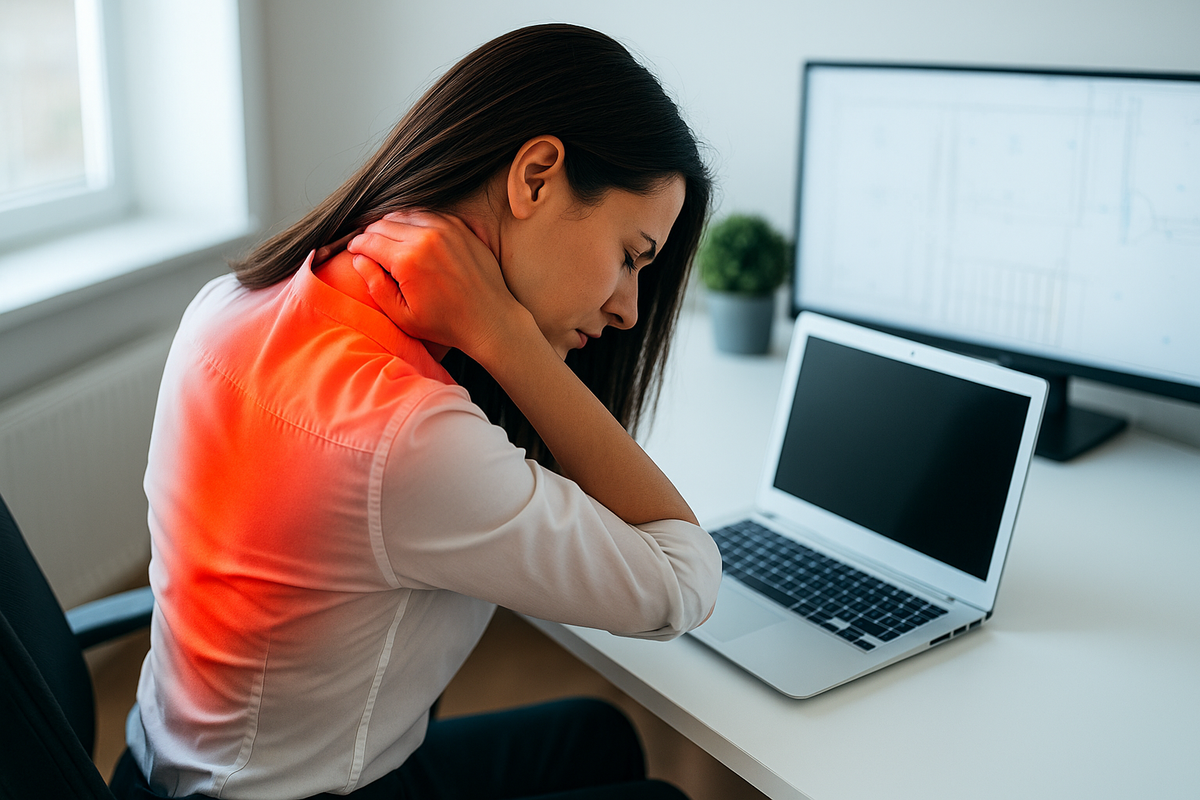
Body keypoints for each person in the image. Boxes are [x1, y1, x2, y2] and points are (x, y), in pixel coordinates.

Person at [112, 23, 721, 800]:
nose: (631, 307)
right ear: (535, 177)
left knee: (595, 735)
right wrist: (506, 337)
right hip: (289, 793)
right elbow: (682, 583)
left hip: (161, 766)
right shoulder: (406, 437)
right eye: (631, 255)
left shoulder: (234, 300)